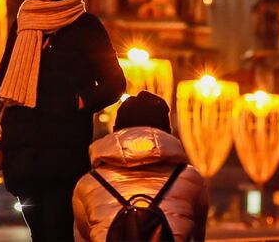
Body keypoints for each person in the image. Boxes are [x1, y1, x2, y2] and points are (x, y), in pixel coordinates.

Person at [0, 0, 127, 242]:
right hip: (23, 149)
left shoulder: (85, 26)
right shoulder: (23, 23)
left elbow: (115, 83)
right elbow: (5, 70)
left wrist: (77, 102)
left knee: (57, 229)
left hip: (63, 148)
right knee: (38, 231)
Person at [72, 91, 208, 242]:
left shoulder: (88, 183)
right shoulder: (191, 178)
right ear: (168, 133)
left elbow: (84, 236)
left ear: (116, 131)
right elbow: (198, 234)